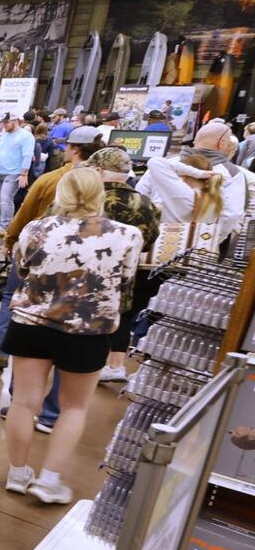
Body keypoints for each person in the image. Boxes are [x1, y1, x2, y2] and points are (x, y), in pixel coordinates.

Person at [3, 168, 142, 505]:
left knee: (23, 402)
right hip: (88, 329)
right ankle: (50, 481)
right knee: (74, 407)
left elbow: (22, 269)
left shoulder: (36, 228)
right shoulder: (127, 235)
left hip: (31, 322)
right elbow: (126, 280)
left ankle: (17, 473)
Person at [0, 125, 105, 379]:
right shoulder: (100, 182)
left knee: (12, 299)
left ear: (74, 149)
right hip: (82, 263)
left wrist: (9, 241)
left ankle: (1, 351)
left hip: (36, 252)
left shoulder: (51, 179)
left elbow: (25, 213)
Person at [88, 147, 160, 383]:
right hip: (126, 274)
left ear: (99, 170)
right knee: (121, 318)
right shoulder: (146, 204)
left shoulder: (91, 199)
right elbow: (148, 242)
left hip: (85, 273)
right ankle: (116, 366)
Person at [0, 114, 34, 233]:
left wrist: (24, 173)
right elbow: (0, 151)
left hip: (14, 172)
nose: (4, 125)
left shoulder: (26, 136)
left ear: (15, 121)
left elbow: (27, 155)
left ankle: (5, 226)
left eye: (6, 123)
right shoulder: (5, 135)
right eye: (2, 123)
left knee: (6, 199)